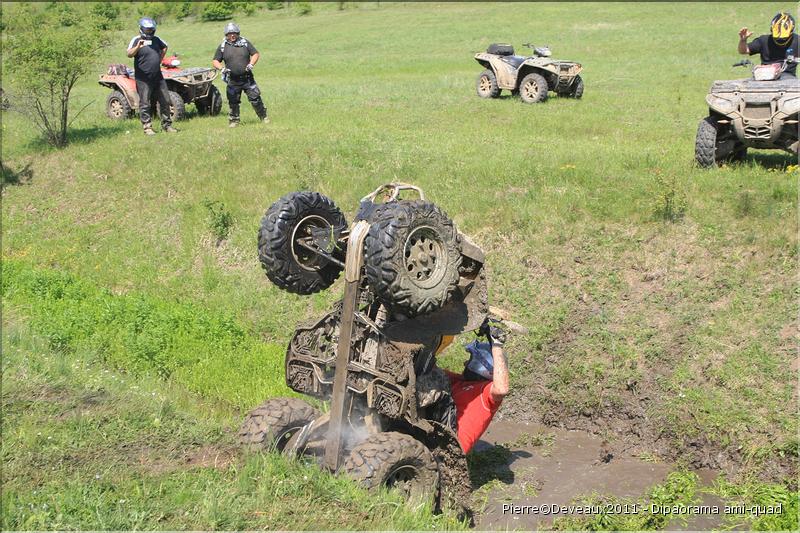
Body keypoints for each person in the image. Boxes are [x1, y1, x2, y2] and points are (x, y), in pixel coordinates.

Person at [417, 320, 510, 454]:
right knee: (428, 373)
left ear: (483, 366)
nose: (465, 362)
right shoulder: (460, 381)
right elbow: (428, 367)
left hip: (448, 448)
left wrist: (496, 346)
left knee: (435, 380)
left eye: (471, 359)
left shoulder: (485, 392)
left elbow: (502, 389)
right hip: (432, 435)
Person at [126, 17, 178, 135]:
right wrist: (138, 47)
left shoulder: (156, 39)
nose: (149, 32)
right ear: (141, 29)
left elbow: (165, 46)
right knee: (145, 103)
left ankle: (167, 125)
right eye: (147, 30)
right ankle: (147, 127)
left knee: (165, 100)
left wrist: (160, 58)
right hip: (143, 78)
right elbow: (129, 53)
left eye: (151, 30)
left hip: (158, 77)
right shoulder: (136, 40)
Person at [212, 23, 269, 127]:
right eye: (230, 34)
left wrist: (251, 64)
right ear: (226, 35)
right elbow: (215, 60)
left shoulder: (245, 43)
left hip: (247, 79)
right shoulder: (223, 46)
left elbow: (255, 54)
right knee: (233, 102)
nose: (232, 36)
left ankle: (263, 117)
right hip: (232, 80)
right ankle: (234, 121)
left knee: (255, 99)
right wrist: (222, 68)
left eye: (234, 33)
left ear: (238, 33)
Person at [739, 12, 798, 77]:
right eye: (776, 38)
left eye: (784, 39)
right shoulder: (764, 40)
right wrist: (743, 40)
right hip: (765, 75)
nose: (780, 41)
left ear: (791, 32)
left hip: (787, 76)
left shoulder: (798, 40)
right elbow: (743, 51)